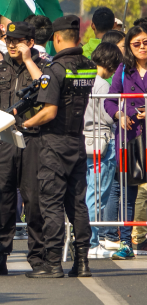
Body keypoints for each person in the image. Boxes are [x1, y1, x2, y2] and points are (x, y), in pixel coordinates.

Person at [22, 15, 95, 278]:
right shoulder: (88, 67)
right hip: (77, 142)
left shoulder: (55, 69)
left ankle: (53, 263)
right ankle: (83, 262)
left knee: (51, 204)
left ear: (56, 38)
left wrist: (26, 124)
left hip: (54, 144)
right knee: (77, 204)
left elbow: (50, 111)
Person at [0, 22, 49, 276]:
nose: (11, 44)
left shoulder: (43, 66)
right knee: (3, 201)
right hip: (3, 141)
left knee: (34, 200)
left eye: (18, 41)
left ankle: (38, 257)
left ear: (30, 42)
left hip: (33, 141)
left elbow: (45, 88)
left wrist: (29, 60)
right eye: (9, 40)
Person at [103, 25, 147, 260]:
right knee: (128, 193)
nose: (141, 47)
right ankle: (125, 242)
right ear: (129, 46)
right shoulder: (122, 70)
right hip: (131, 138)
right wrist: (121, 114)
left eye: (145, 42)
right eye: (136, 43)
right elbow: (109, 101)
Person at [83, 43, 122, 257]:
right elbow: (109, 115)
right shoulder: (103, 86)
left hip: (82, 141)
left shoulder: (82, 80)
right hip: (102, 143)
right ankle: (91, 241)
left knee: (85, 193)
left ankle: (83, 238)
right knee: (97, 194)